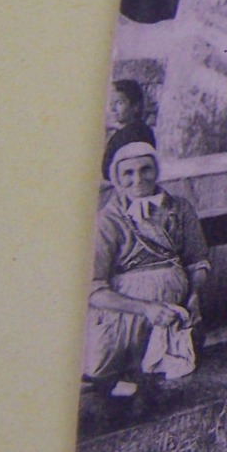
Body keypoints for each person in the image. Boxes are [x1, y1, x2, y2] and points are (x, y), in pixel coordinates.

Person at [85, 143, 209, 392]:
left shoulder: (180, 209)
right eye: (128, 173)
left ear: (157, 170)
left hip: (176, 315)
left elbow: (198, 261)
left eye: (146, 169)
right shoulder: (107, 221)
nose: (138, 179)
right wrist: (147, 309)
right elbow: (93, 290)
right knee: (118, 382)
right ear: (116, 179)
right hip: (125, 322)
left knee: (176, 379)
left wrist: (194, 296)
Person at [100, 80, 155, 181]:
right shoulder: (123, 132)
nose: (113, 109)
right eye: (111, 104)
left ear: (135, 106)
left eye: (119, 103)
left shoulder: (135, 133)